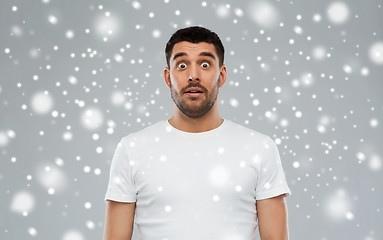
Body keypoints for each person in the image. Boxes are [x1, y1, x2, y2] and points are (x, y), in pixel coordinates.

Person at [103, 26, 291, 240]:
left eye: (205, 64)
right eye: (182, 65)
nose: (193, 75)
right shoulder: (132, 149)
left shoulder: (259, 148)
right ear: (168, 77)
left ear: (221, 76)